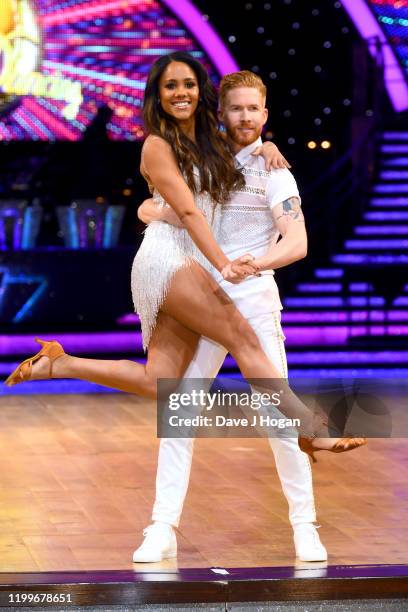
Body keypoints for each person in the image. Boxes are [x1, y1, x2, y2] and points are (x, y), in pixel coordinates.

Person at [6, 54, 365, 460]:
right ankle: (309, 429)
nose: (181, 92)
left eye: (189, 84)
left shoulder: (206, 139)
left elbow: (235, 147)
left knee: (159, 381)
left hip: (184, 258)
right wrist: (223, 262)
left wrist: (269, 146)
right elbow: (188, 212)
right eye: (171, 86)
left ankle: (60, 364)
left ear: (202, 92)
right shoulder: (158, 144)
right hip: (170, 260)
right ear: (157, 96)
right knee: (242, 337)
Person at [132, 70, 328, 564]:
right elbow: (160, 207)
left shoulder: (276, 170)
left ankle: (305, 525)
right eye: (234, 108)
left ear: (264, 115)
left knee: (277, 415)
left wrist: (253, 265)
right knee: (178, 412)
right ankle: (162, 526)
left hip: (254, 299)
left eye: (252, 110)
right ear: (221, 114)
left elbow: (299, 243)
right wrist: (149, 212)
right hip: (200, 295)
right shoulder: (204, 158)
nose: (243, 117)